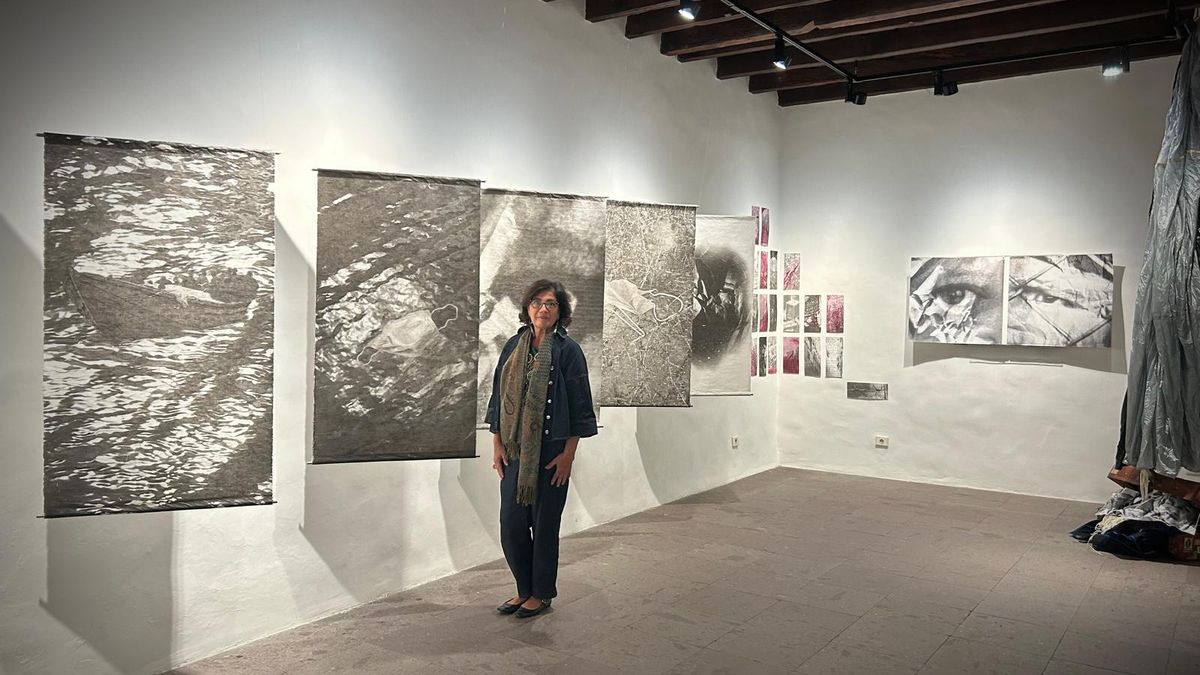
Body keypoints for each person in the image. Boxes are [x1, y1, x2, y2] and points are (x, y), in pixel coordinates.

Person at [485, 279, 597, 618]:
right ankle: (524, 589)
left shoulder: (568, 350)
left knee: (545, 526)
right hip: (515, 451)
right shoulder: (513, 345)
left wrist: (568, 456)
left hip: (551, 453)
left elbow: (580, 406)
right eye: (536, 302)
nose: (543, 309)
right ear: (527, 307)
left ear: (560, 311)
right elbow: (498, 396)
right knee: (512, 525)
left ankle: (542, 593)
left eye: (550, 303)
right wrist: (497, 444)